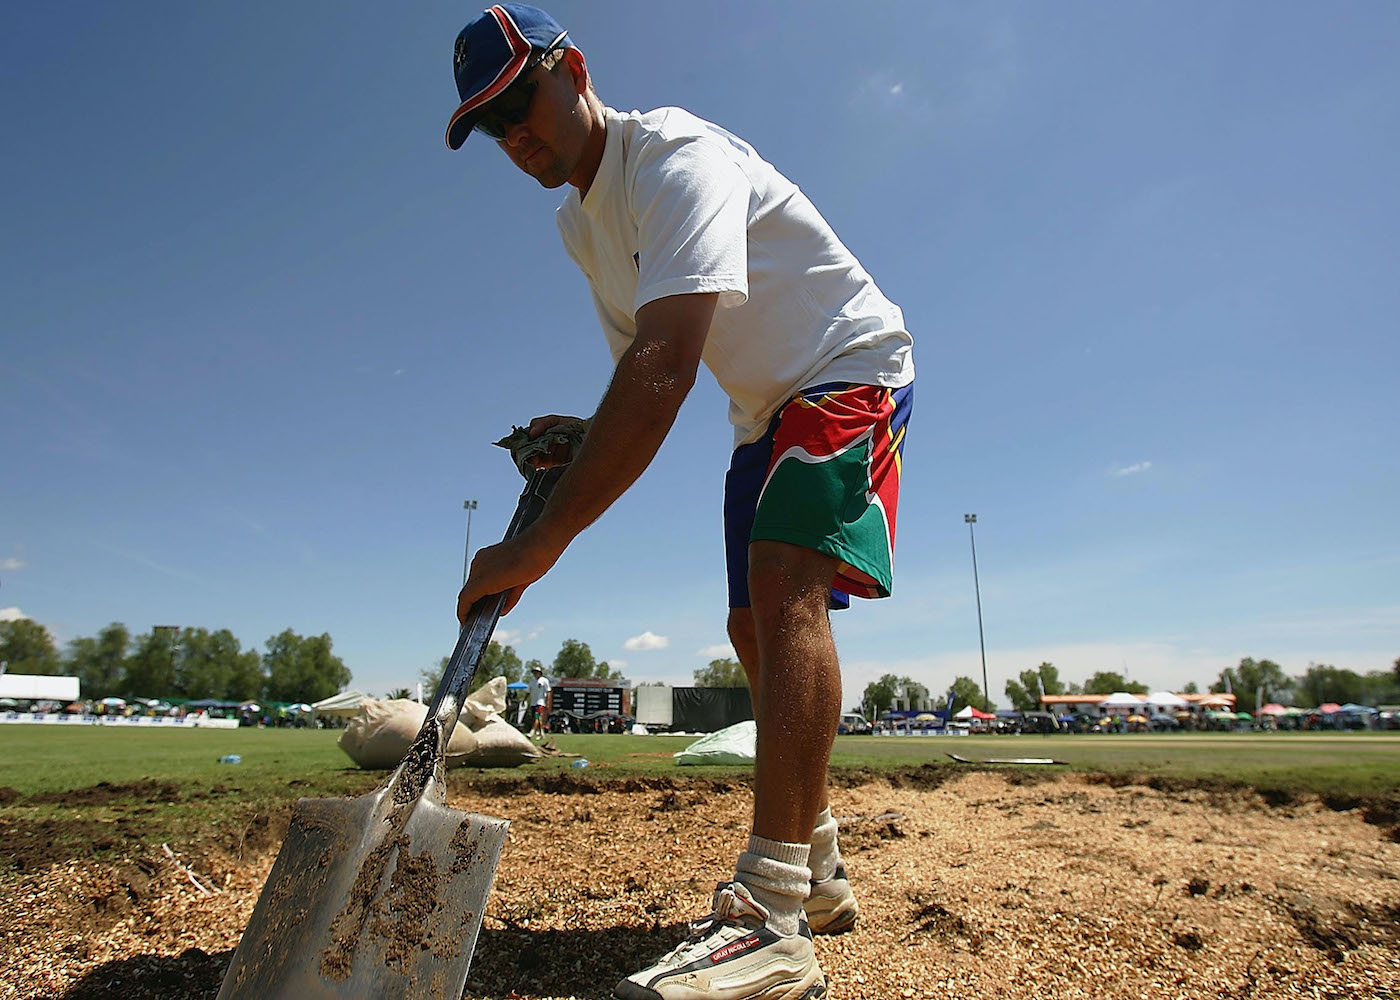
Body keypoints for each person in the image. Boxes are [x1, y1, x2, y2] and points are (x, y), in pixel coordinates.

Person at [447, 7, 914, 998]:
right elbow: (634, 369)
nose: (515, 136)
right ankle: (818, 862)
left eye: (519, 103)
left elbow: (663, 372)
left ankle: (769, 919)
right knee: (751, 625)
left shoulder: (674, 160)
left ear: (570, 69)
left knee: (786, 585)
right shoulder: (580, 222)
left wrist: (538, 548)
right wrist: (564, 457)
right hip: (761, 410)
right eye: (490, 128)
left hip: (844, 366)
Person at [527, 663, 551, 739]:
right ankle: (542, 733)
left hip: (540, 703)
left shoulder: (544, 681)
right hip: (533, 703)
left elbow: (548, 692)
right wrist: (524, 700)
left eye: (536, 672)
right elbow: (528, 691)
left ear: (540, 673)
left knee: (536, 717)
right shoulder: (532, 681)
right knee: (538, 718)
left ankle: (532, 732)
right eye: (534, 672)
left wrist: (547, 702)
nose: (535, 674)